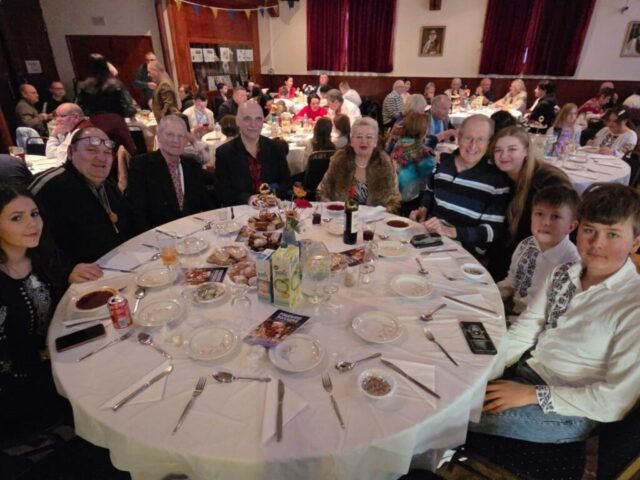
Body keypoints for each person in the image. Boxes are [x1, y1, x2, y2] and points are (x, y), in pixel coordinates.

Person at [470, 183, 640, 443]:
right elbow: (525, 330)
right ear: (578, 229)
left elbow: (614, 401)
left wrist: (531, 395)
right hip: (527, 372)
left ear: (635, 242)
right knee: (455, 387)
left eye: (613, 234)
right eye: (590, 230)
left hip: (570, 409)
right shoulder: (562, 273)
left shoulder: (633, 304)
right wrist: (483, 374)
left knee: (454, 414)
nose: (597, 243)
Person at [0, 184, 103, 440]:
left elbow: (58, 274)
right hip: (24, 384)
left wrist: (69, 273)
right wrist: (47, 354)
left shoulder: (39, 255)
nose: (32, 224)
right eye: (17, 218)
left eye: (34, 214)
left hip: (64, 348)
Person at [409, 115, 511, 257]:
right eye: (468, 138)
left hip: (464, 253)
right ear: (459, 137)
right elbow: (430, 191)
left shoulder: (497, 180)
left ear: (490, 143)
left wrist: (450, 231)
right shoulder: (443, 162)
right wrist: (423, 209)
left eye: (480, 139)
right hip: (430, 240)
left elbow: (492, 231)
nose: (473, 146)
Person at [29, 127, 132, 265]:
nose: (101, 158)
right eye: (91, 150)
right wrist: (65, 270)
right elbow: (27, 240)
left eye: (107, 152)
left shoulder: (109, 187)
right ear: (70, 152)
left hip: (117, 264)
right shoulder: (49, 186)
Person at [488, 126, 572, 279]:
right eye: (498, 150)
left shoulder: (546, 182)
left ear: (526, 151)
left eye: (512, 149)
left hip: (542, 258)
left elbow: (557, 229)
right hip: (513, 248)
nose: (503, 155)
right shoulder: (500, 177)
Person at [497, 185, 580, 316]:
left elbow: (556, 313)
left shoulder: (572, 263)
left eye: (555, 216)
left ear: (571, 226)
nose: (545, 222)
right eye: (539, 214)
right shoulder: (526, 244)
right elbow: (512, 282)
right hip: (512, 309)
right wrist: (492, 293)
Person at [126, 115, 211, 234]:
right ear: (159, 136)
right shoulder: (142, 165)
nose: (176, 140)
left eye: (181, 136)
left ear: (186, 140)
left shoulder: (192, 166)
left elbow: (206, 202)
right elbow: (138, 212)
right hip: (158, 237)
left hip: (193, 235)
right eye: (170, 134)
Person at [214, 101, 290, 206]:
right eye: (247, 119)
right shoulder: (224, 153)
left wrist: (274, 195)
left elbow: (286, 181)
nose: (253, 124)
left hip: (272, 210)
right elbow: (222, 191)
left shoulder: (276, 148)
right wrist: (247, 199)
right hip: (241, 211)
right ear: (237, 121)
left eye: (258, 119)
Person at [317, 117, 401, 212]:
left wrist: (380, 213)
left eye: (369, 137)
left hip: (376, 220)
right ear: (352, 140)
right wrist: (334, 209)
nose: (364, 141)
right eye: (359, 137)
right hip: (341, 218)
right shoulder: (339, 161)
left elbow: (395, 201)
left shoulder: (386, 164)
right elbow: (322, 191)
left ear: (375, 141)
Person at [389, 112, 436, 215]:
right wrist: (436, 159)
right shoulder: (420, 149)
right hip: (410, 195)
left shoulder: (398, 142)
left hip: (394, 188)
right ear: (422, 130)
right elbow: (430, 170)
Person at [76, 53, 137, 119]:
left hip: (94, 123)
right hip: (115, 122)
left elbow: (78, 110)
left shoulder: (83, 87)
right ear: (106, 66)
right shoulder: (116, 85)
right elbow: (129, 110)